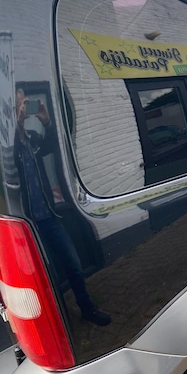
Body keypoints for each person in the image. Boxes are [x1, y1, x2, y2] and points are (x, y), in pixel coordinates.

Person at [14, 88, 111, 326]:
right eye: (20, 103)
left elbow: (53, 148)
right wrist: (15, 127)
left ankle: (87, 308)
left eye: (26, 102)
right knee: (48, 276)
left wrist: (47, 122)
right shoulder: (8, 146)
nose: (25, 106)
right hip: (26, 225)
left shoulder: (31, 138)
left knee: (73, 265)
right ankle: (57, 321)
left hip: (49, 216)